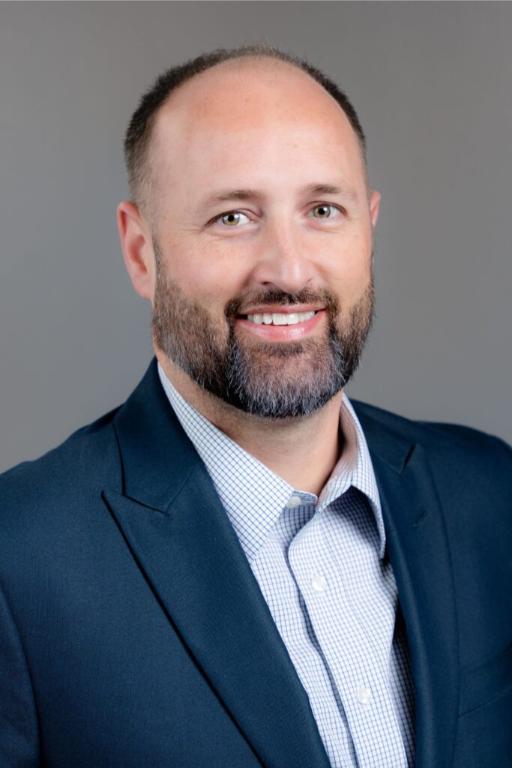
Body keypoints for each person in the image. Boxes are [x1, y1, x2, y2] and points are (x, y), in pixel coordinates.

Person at [0, 44, 510, 768]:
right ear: (142, 252)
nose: (289, 269)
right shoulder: (19, 558)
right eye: (233, 217)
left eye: (323, 210)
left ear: (369, 227)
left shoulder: (490, 494)